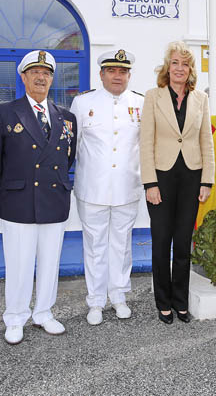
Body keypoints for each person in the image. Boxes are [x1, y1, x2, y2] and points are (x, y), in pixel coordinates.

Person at [0, 50, 77, 345]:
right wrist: (14, 184)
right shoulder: (4, 112)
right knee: (19, 262)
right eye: (35, 72)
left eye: (47, 73)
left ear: (52, 78)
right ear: (23, 77)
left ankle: (44, 313)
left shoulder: (66, 117)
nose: (41, 77)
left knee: (50, 262)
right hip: (19, 199)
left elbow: (68, 156)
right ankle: (15, 317)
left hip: (54, 199)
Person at [139, 40, 215, 324]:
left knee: (183, 243)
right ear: (166, 67)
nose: (179, 68)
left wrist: (207, 180)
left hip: (192, 178)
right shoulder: (153, 96)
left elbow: (206, 142)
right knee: (161, 242)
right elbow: (145, 143)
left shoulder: (201, 100)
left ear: (191, 69)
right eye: (175, 63)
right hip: (162, 177)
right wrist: (150, 184)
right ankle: (163, 302)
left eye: (185, 64)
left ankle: (181, 301)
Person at [70, 49, 144, 325]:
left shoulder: (141, 103)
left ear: (129, 75)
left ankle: (119, 296)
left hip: (127, 187)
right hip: (92, 189)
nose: (117, 76)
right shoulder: (82, 103)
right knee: (95, 246)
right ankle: (96, 301)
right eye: (112, 71)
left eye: (123, 71)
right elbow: (73, 146)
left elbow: (144, 147)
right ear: (101, 74)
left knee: (122, 245)